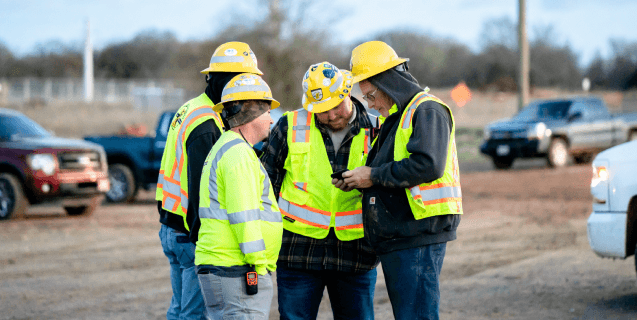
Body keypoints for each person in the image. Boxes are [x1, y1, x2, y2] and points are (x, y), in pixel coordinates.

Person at [335, 41, 463, 320]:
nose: (370, 104)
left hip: (417, 232)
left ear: (388, 83)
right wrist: (361, 179)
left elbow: (428, 164)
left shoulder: (426, 110)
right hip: (403, 235)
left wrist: (373, 176)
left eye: (370, 96)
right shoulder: (399, 115)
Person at [260, 62, 380, 320]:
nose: (331, 115)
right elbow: (265, 185)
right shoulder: (289, 125)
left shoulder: (378, 129)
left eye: (336, 106)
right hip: (297, 253)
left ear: (348, 93)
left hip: (356, 255)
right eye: (322, 110)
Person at [156, 41, 263, 320]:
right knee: (193, 315)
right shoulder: (208, 124)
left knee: (180, 311)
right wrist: (206, 246)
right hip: (189, 233)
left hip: (172, 224)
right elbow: (200, 190)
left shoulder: (193, 108)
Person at [194, 73, 284, 319]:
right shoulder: (238, 155)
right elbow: (243, 216)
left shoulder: (230, 147)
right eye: (267, 111)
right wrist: (260, 264)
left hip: (227, 267)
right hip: (236, 269)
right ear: (251, 112)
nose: (270, 119)